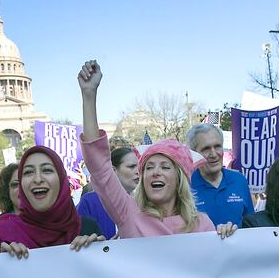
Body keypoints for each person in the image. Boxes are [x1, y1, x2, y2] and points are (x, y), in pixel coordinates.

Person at [78, 60, 235, 239]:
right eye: (149, 167)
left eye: (165, 167)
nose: (155, 172)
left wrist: (227, 239)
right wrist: (89, 95)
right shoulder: (128, 215)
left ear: (180, 179)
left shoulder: (202, 224)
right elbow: (100, 169)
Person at [0, 146, 104, 257]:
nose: (38, 179)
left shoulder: (87, 227)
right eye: (28, 172)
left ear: (61, 180)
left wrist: (100, 255)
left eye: (47, 170)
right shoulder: (1, 233)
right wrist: (0, 264)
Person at [185, 123, 253, 227]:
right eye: (206, 149)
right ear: (194, 154)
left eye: (217, 147)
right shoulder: (185, 184)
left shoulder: (239, 180)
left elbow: (251, 224)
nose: (213, 154)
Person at [77, 147, 139, 238]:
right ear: (113, 170)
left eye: (140, 167)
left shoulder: (145, 203)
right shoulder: (89, 202)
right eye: (131, 167)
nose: (138, 171)